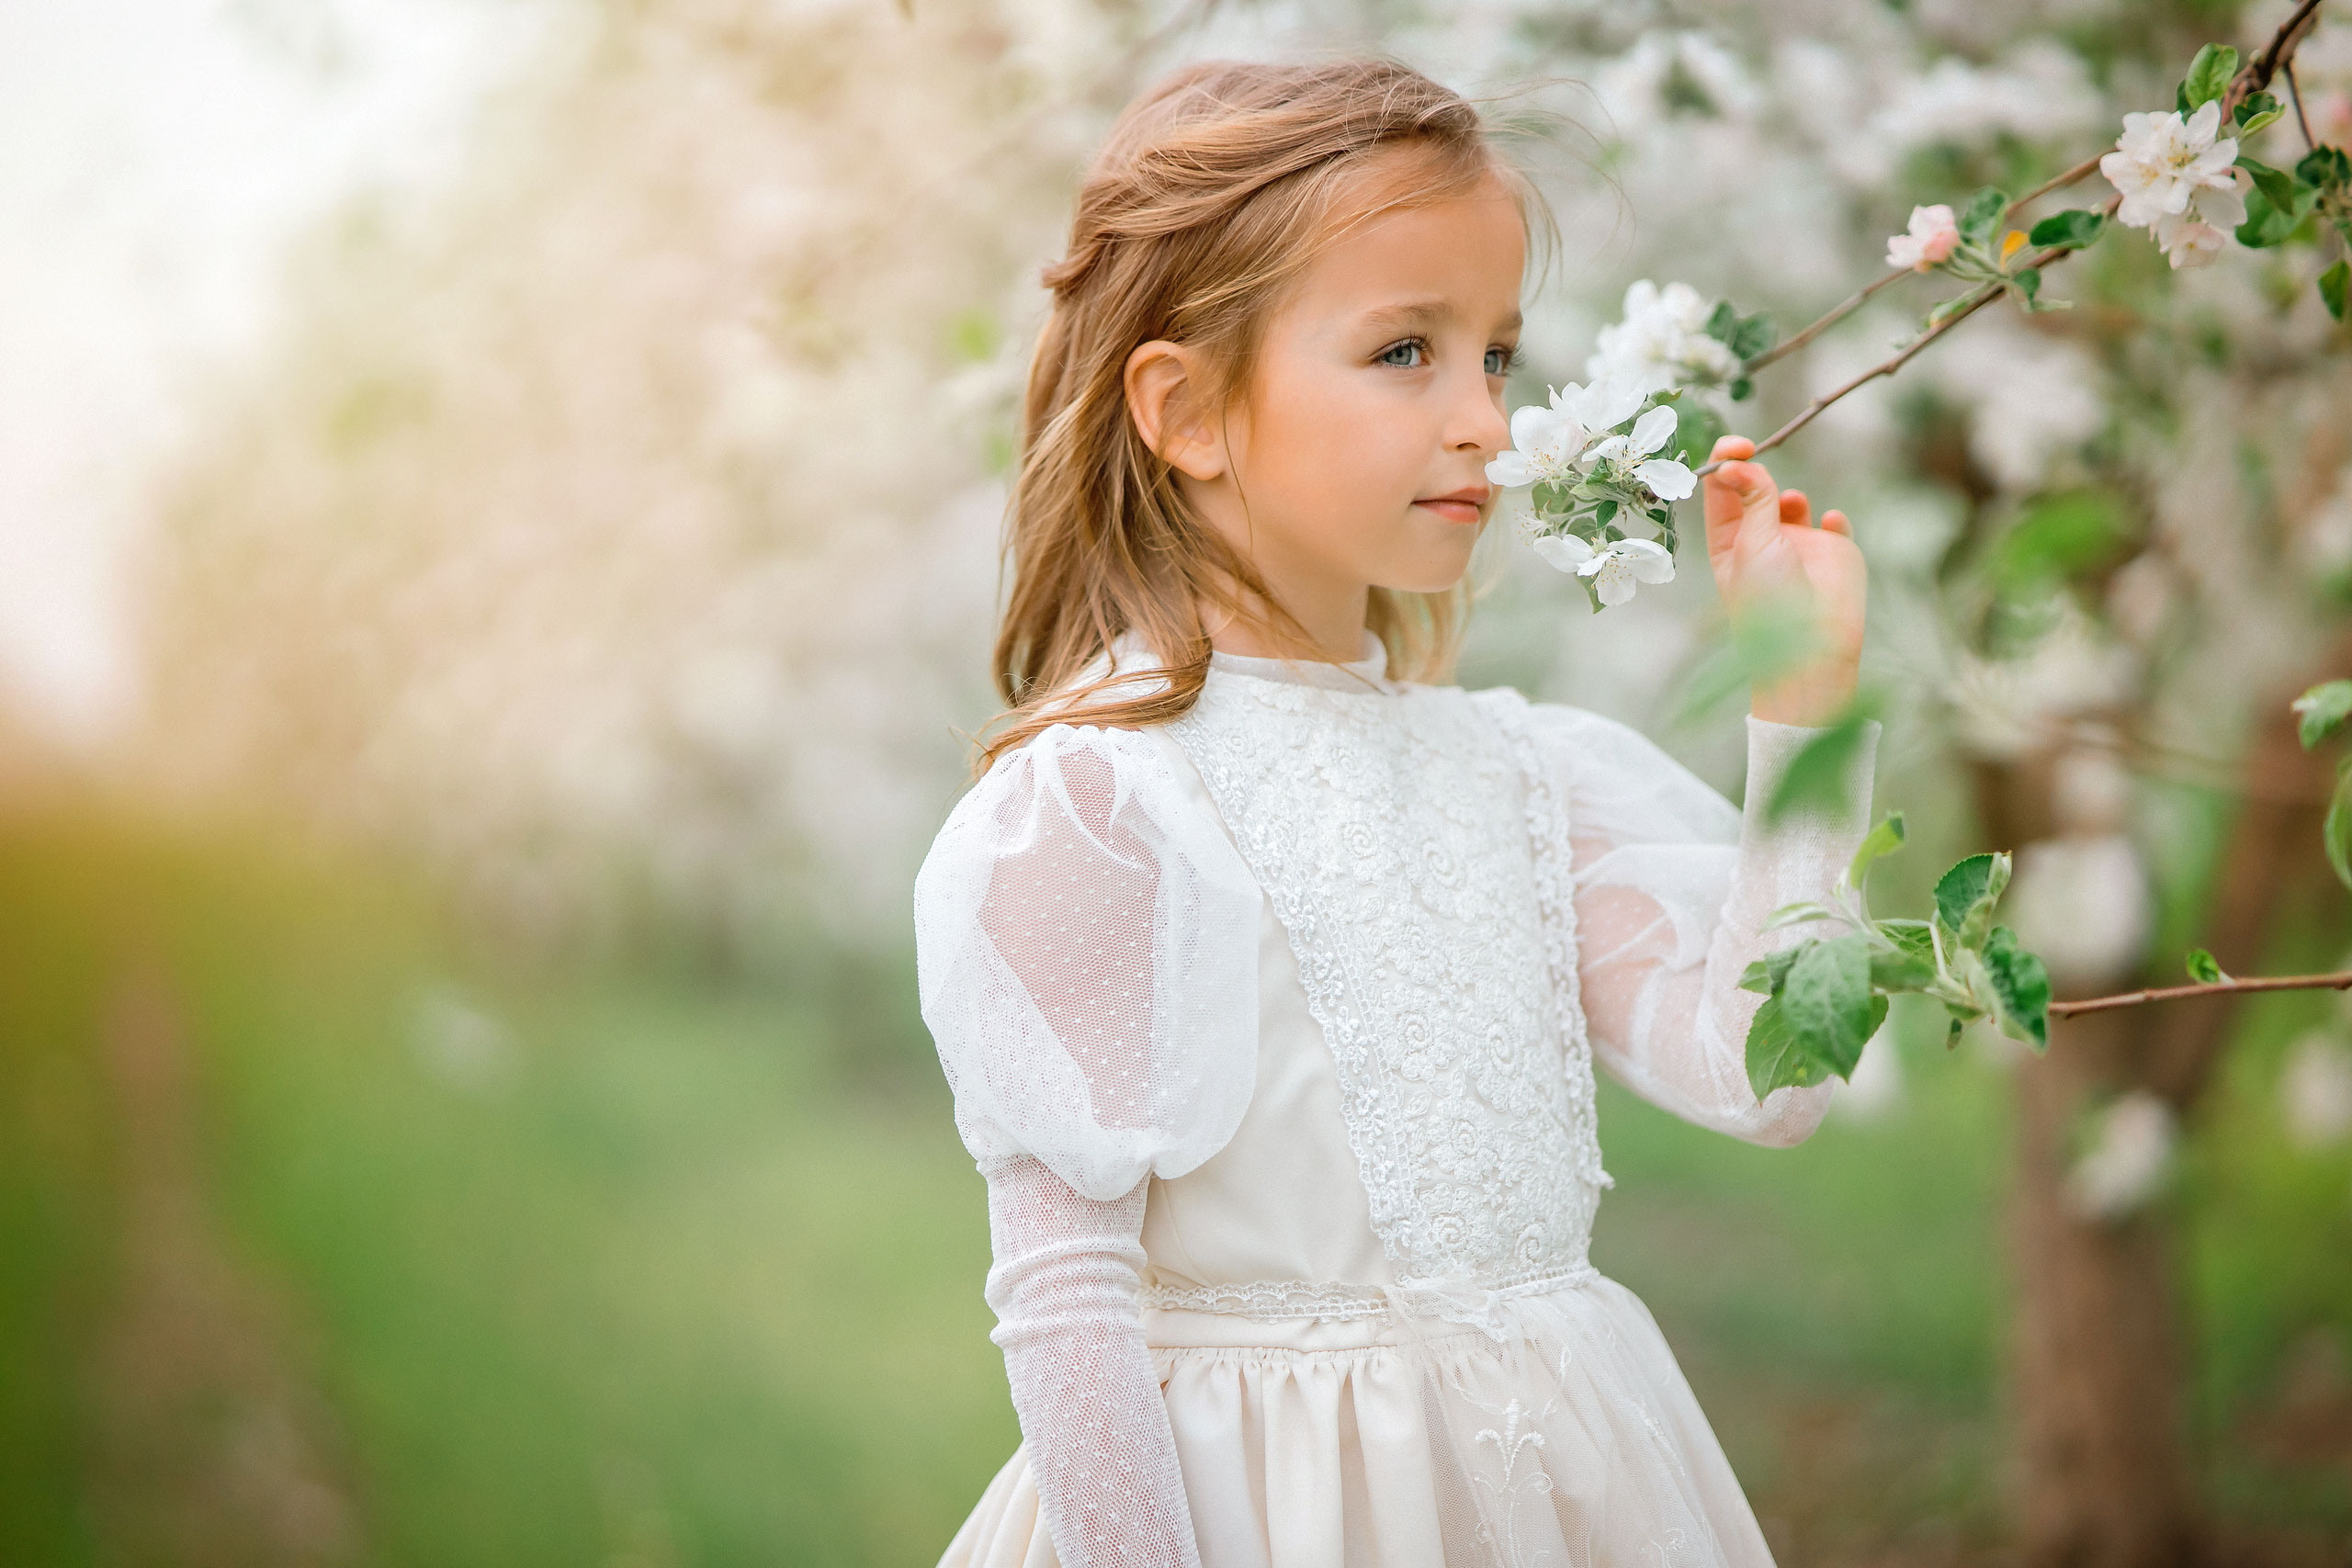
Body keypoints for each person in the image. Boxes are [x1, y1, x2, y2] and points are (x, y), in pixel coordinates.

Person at [912, 55, 1873, 1568]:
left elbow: (1773, 1079)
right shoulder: (1105, 803)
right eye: (1406, 352)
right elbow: (1067, 1306)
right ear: (1187, 410)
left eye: (1497, 353)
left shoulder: (1521, 774)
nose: (1488, 419)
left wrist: (1803, 713)